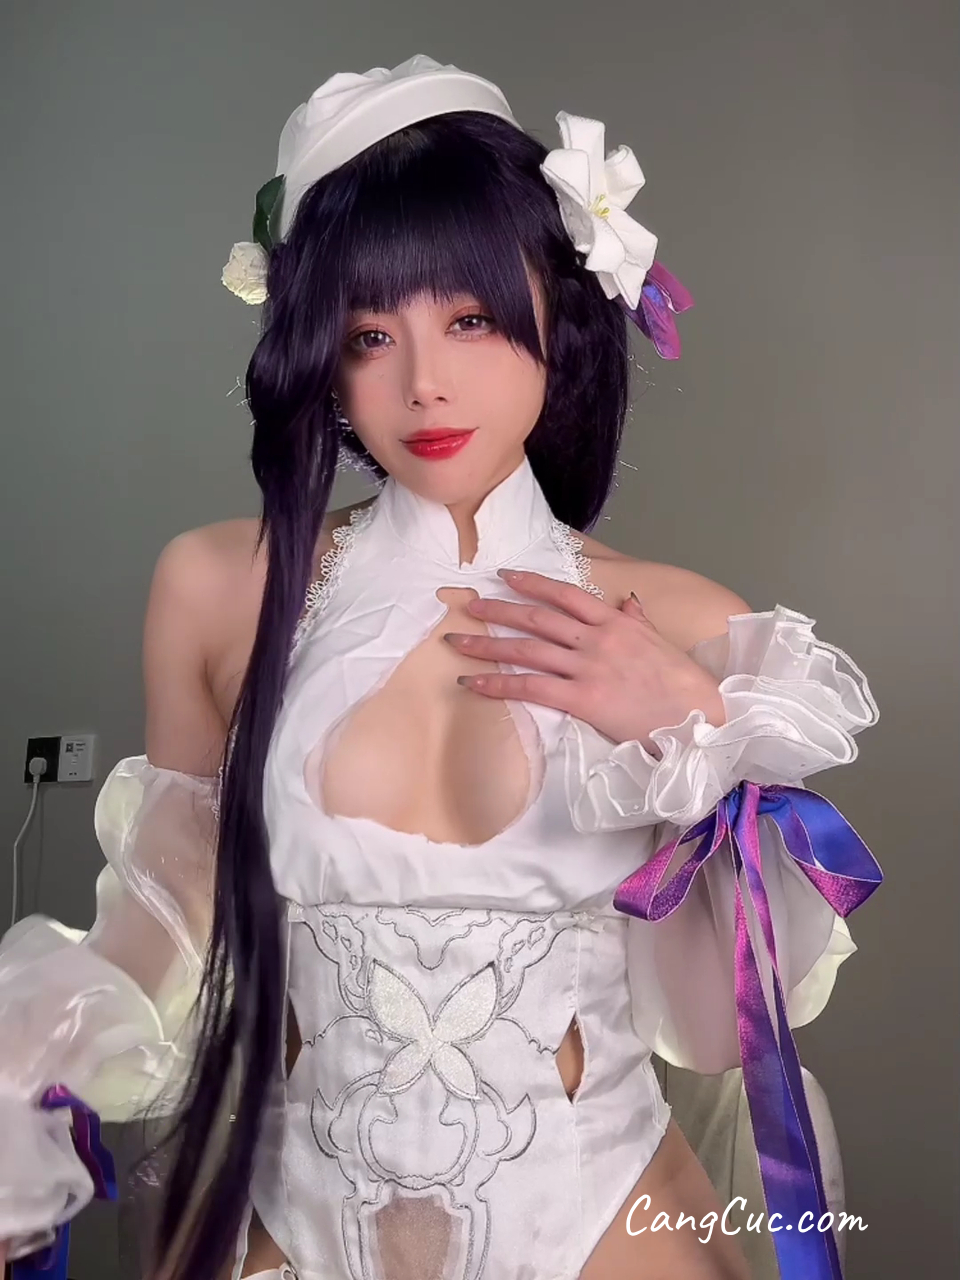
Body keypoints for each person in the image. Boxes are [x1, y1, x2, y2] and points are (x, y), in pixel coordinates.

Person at [0, 54, 881, 1280]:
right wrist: (25, 1072)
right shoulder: (215, 587)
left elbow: (726, 1023)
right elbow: (168, 916)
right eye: (371, 335)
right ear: (319, 356)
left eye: (469, 318)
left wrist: (689, 727)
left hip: (608, 1222)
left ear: (556, 307)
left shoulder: (683, 622)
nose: (424, 383)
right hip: (291, 1223)